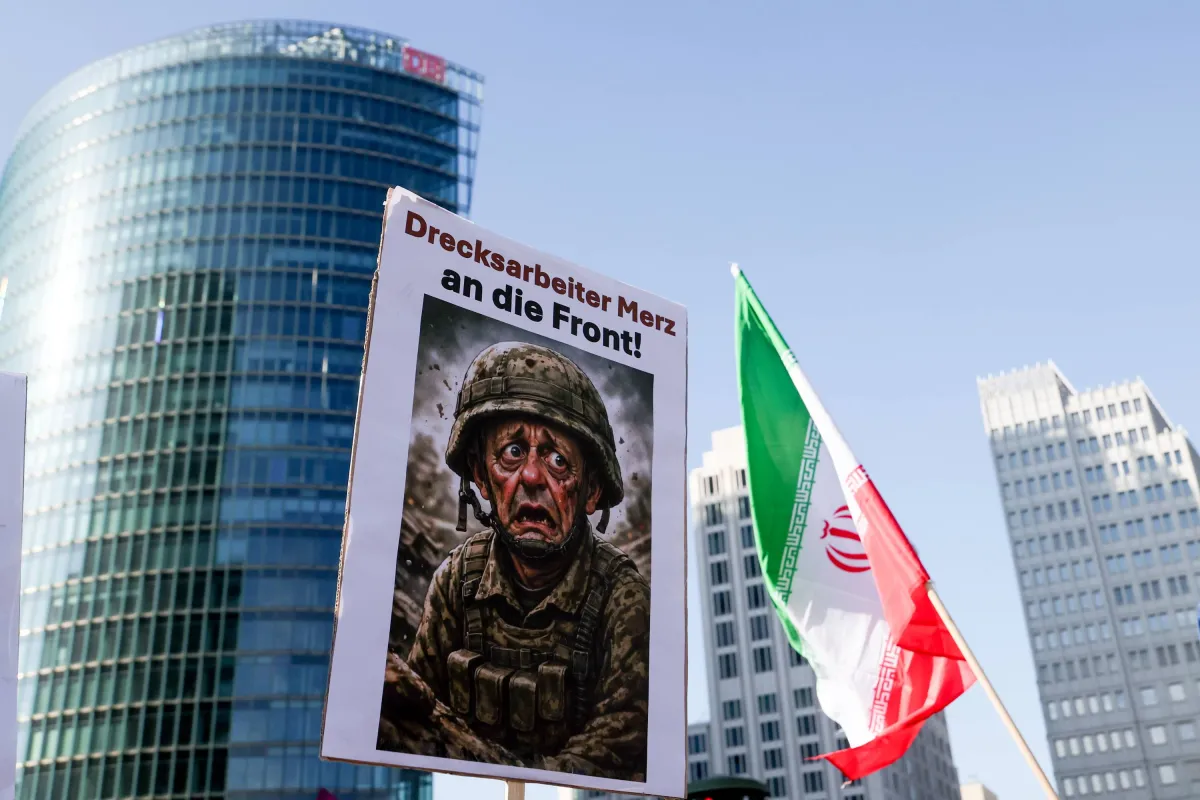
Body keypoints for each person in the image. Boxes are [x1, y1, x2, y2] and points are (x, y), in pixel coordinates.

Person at [393, 341, 650, 781]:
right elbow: (415, 724)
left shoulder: (623, 599)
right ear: (480, 475)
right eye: (512, 453)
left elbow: (614, 751)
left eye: (557, 460)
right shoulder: (457, 580)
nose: (531, 477)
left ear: (591, 491)